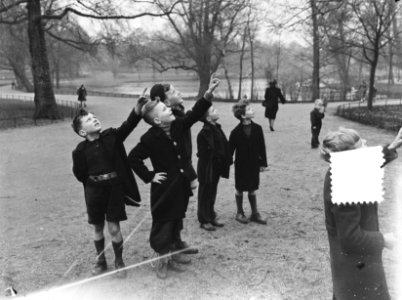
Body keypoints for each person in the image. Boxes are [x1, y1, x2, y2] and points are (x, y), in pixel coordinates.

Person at [128, 76, 220, 279]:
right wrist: (150, 176)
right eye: (164, 109)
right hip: (163, 189)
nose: (169, 109)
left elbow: (196, 113)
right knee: (163, 222)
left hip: (179, 184)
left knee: (177, 217)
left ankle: (173, 253)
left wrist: (208, 94)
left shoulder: (178, 125)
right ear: (158, 120)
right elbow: (133, 158)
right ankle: (161, 260)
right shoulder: (150, 138)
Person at [320, 127, 402, 300]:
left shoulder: (345, 169)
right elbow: (350, 238)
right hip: (356, 269)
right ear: (348, 157)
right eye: (361, 145)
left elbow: (367, 162)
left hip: (353, 266)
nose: (366, 144)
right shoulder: (344, 183)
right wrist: (384, 240)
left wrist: (392, 146)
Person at [71, 95, 147, 278]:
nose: (94, 119)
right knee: (97, 227)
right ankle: (101, 260)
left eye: (94, 116)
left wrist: (137, 108)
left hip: (114, 189)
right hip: (94, 192)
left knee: (114, 227)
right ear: (82, 132)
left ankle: (119, 261)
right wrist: (94, 183)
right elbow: (80, 173)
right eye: (89, 119)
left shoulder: (111, 137)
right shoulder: (80, 151)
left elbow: (128, 126)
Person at [149, 83, 198, 191]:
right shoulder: (173, 122)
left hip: (182, 172)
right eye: (174, 92)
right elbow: (179, 153)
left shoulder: (178, 115)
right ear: (166, 102)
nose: (179, 93)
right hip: (174, 177)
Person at [229, 99, 268, 225]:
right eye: (249, 109)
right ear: (243, 115)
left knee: (252, 187)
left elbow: (262, 147)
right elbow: (230, 150)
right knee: (239, 188)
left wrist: (263, 163)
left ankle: (254, 213)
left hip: (253, 164)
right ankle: (239, 212)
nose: (253, 110)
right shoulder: (235, 132)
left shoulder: (258, 128)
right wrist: (225, 164)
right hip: (241, 165)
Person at [196, 105, 231, 231]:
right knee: (204, 193)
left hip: (216, 167)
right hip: (207, 168)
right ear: (208, 118)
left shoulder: (218, 128)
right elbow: (202, 154)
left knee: (212, 193)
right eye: (213, 111)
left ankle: (211, 216)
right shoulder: (203, 133)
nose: (217, 111)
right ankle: (204, 220)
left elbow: (223, 146)